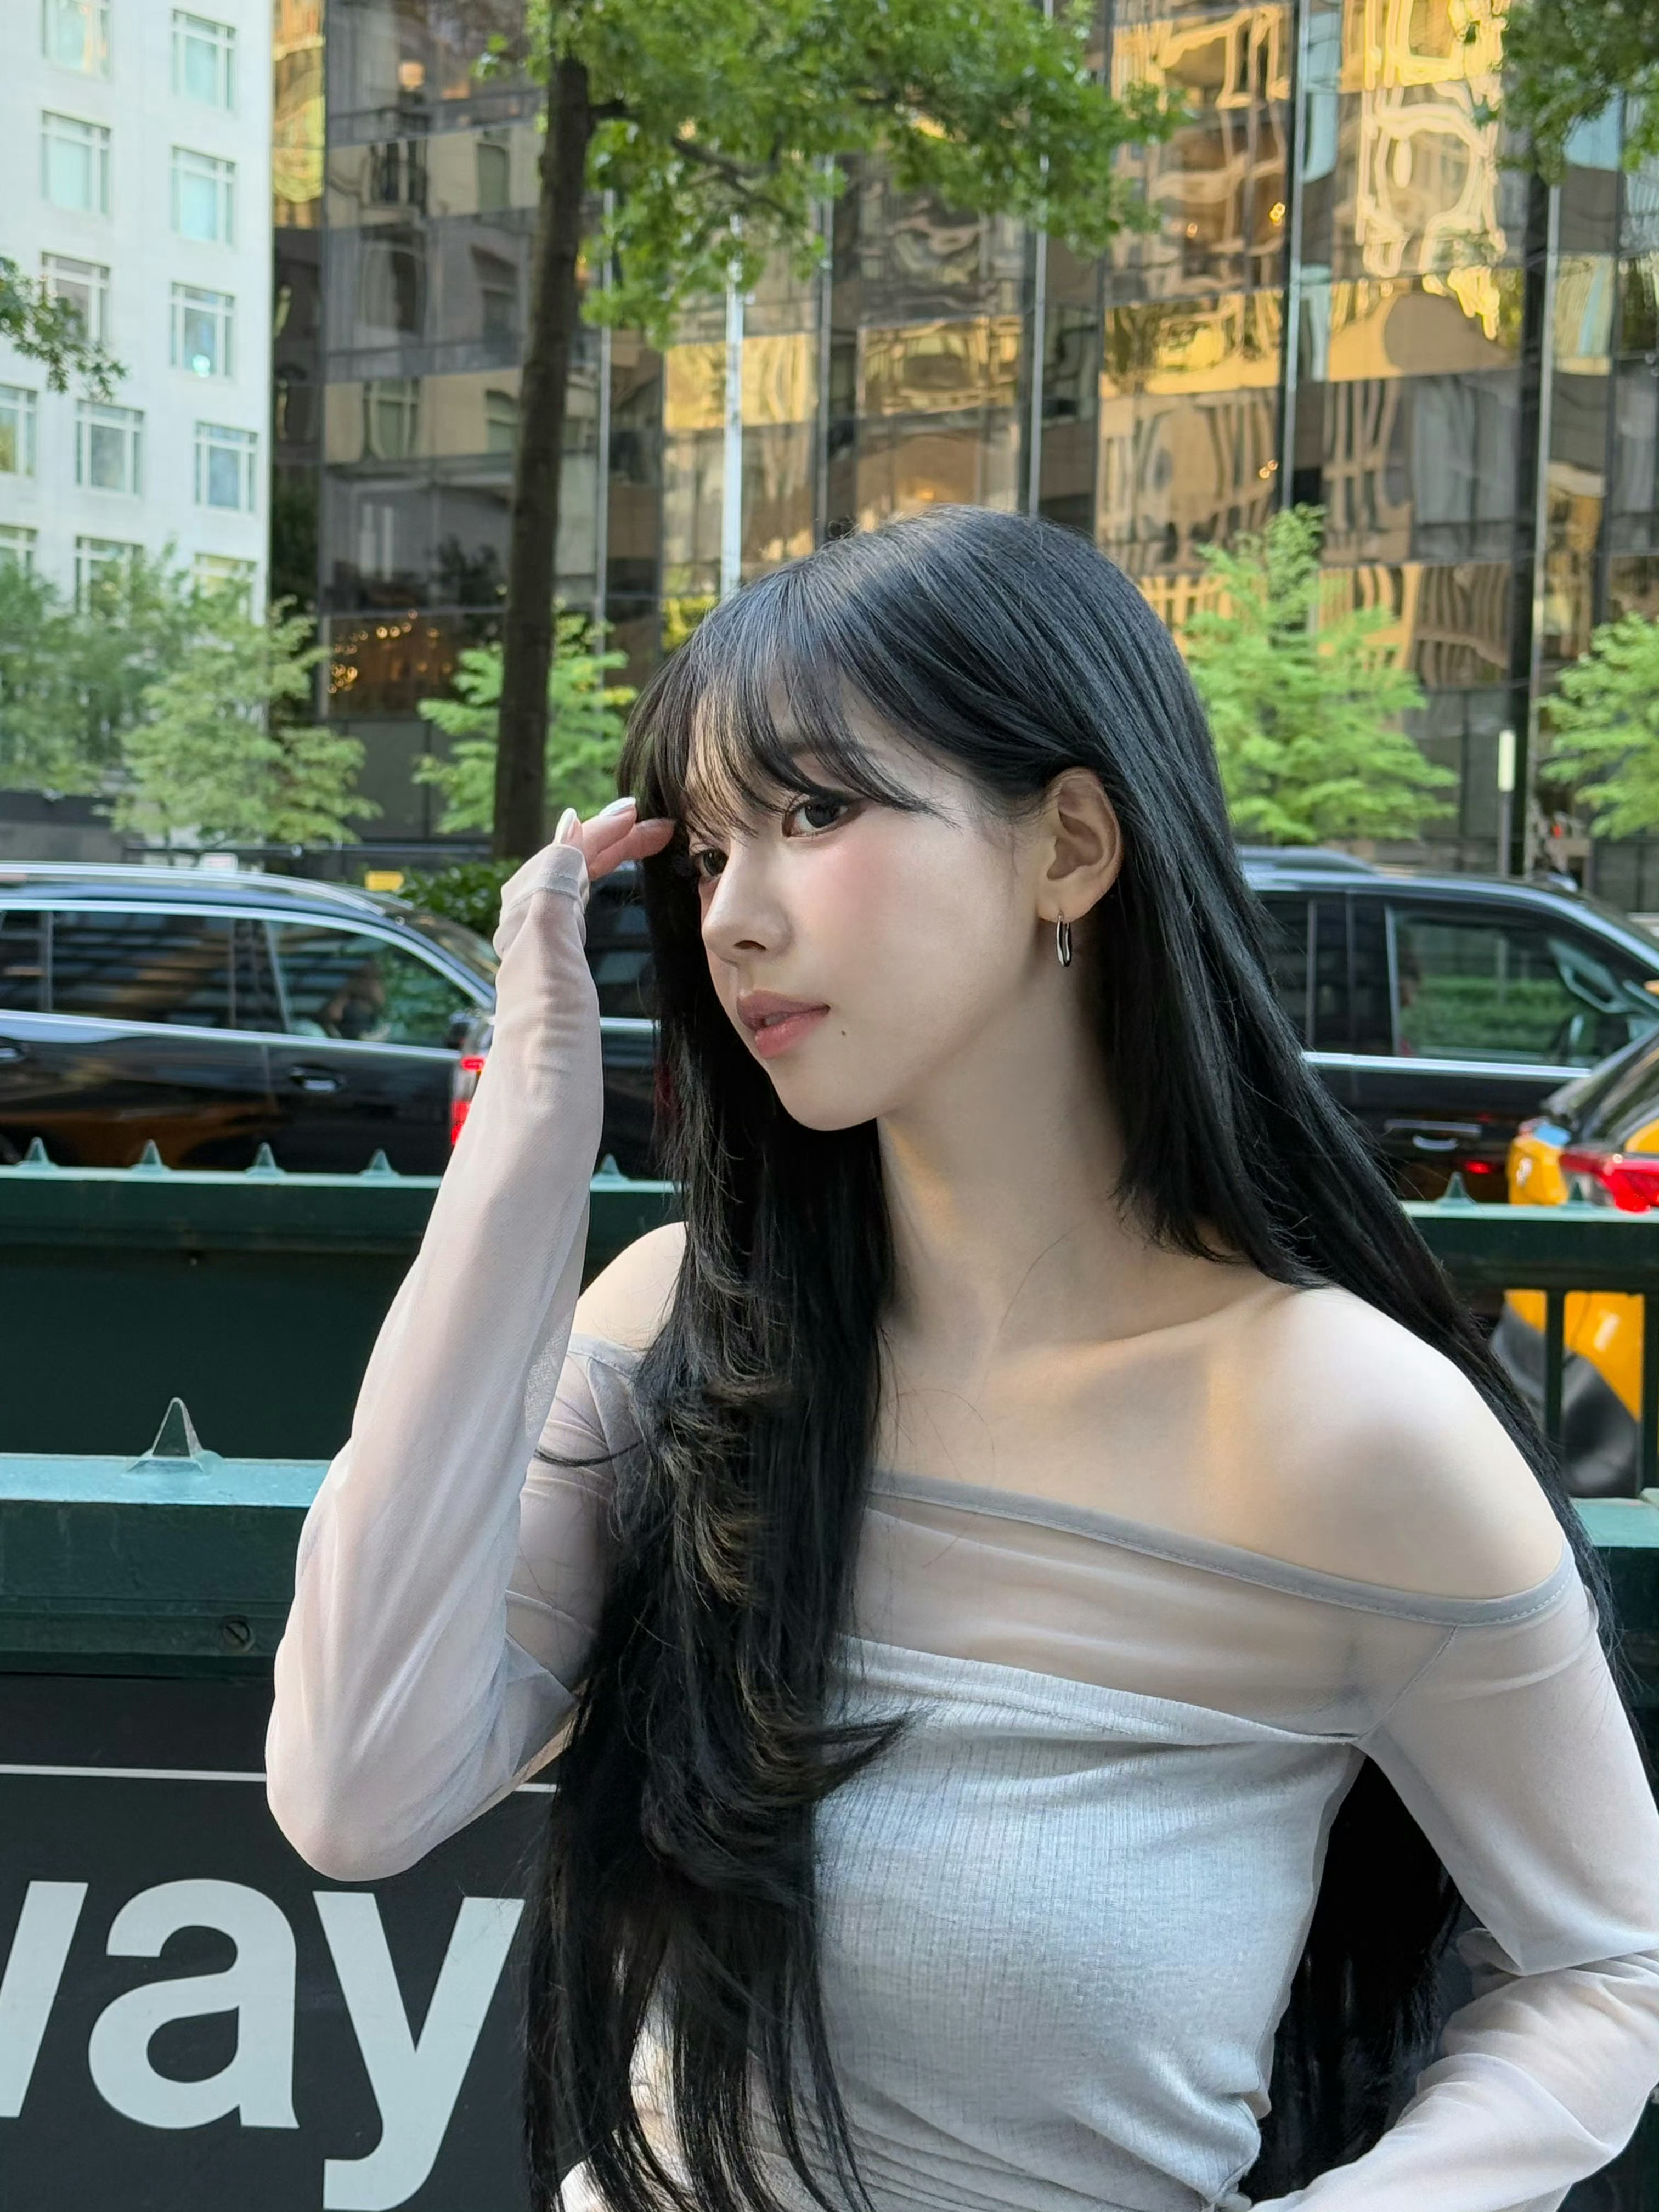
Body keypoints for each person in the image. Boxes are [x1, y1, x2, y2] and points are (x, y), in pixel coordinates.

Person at [266, 507, 1659, 2212]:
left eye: (815, 813)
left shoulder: (1336, 1426)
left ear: (1070, 844)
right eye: (707, 850)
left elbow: (1611, 1972)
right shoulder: (681, 1330)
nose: (733, 918)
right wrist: (522, 1155)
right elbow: (356, 1793)